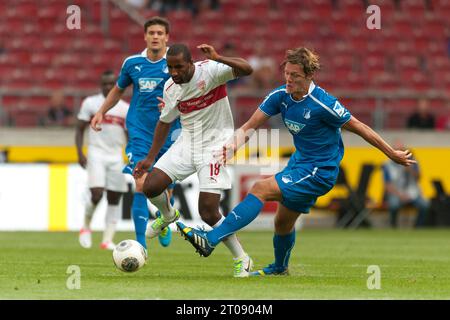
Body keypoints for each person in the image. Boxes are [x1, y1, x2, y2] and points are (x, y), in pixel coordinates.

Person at [176, 47, 416, 276]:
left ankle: (210, 239)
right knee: (282, 222)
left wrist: (390, 153)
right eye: (286, 74)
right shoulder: (281, 96)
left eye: (295, 76)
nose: (288, 80)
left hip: (320, 171)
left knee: (261, 188)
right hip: (300, 165)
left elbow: (360, 127)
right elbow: (250, 126)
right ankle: (280, 268)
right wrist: (232, 146)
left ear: (310, 75)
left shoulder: (324, 104)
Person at [132, 43, 254, 277]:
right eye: (170, 68)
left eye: (179, 67)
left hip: (216, 145)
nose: (174, 72)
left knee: (208, 212)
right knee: (151, 185)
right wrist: (150, 158)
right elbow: (165, 121)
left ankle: (243, 258)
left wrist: (219, 57)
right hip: (187, 143)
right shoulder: (170, 87)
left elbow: (247, 69)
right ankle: (168, 215)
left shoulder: (210, 71)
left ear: (191, 63)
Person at [90, 17, 181, 252]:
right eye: (151, 32)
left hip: (169, 131)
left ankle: (163, 220)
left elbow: (189, 92)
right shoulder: (132, 63)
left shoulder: (176, 62)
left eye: (160, 33)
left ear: (167, 37)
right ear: (145, 36)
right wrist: (101, 111)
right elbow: (118, 90)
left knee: (163, 188)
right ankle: (140, 245)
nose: (155, 36)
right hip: (139, 131)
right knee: (140, 182)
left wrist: (175, 105)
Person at [76, 70, 129, 250]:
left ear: (116, 85)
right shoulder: (90, 103)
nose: (108, 86)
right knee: (97, 194)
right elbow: (79, 129)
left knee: (115, 196)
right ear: (100, 85)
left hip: (116, 155)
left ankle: (107, 240)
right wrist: (79, 152)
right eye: (104, 83)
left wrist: (132, 155)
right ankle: (85, 226)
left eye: (111, 84)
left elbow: (129, 135)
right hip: (95, 153)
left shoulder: (124, 108)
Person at [382, 140, 429, 228]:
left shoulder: (412, 162)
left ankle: (417, 228)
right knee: (393, 205)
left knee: (424, 205)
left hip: (412, 192)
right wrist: (400, 195)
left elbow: (418, 178)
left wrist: (411, 169)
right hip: (397, 193)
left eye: (401, 150)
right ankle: (393, 227)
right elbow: (388, 185)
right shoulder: (387, 165)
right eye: (396, 150)